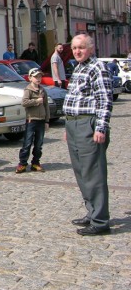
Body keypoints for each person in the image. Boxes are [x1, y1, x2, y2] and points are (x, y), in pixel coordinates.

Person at [63, 34, 113, 236]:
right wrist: (69, 127)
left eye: (81, 47)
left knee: (94, 174)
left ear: (91, 48)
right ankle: (92, 212)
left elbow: (104, 99)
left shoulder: (97, 68)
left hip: (89, 125)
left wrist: (100, 128)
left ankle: (100, 221)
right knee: (82, 173)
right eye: (74, 48)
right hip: (74, 125)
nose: (77, 51)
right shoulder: (79, 67)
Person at [16, 68, 49, 173]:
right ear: (30, 78)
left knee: (39, 144)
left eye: (40, 76)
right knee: (27, 143)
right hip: (31, 120)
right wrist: (35, 101)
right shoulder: (28, 90)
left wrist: (47, 121)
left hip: (41, 120)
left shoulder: (43, 90)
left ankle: (35, 162)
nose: (38, 79)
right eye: (35, 77)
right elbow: (24, 102)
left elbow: (46, 105)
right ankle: (22, 163)